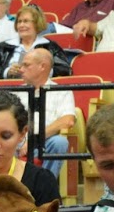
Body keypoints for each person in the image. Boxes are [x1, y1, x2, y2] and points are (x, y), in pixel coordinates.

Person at [16, 47, 77, 178]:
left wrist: (34, 140)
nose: (21, 69)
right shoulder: (16, 92)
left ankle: (45, 183)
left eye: (26, 65)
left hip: (44, 143)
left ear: (42, 67)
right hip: (17, 142)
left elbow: (68, 121)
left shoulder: (61, 91)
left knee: (60, 142)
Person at [0, 4, 61, 80]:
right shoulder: (3, 47)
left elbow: (64, 69)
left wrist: (41, 70)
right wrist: (7, 71)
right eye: (19, 21)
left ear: (37, 23)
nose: (21, 25)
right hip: (10, 86)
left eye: (26, 21)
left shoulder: (50, 46)